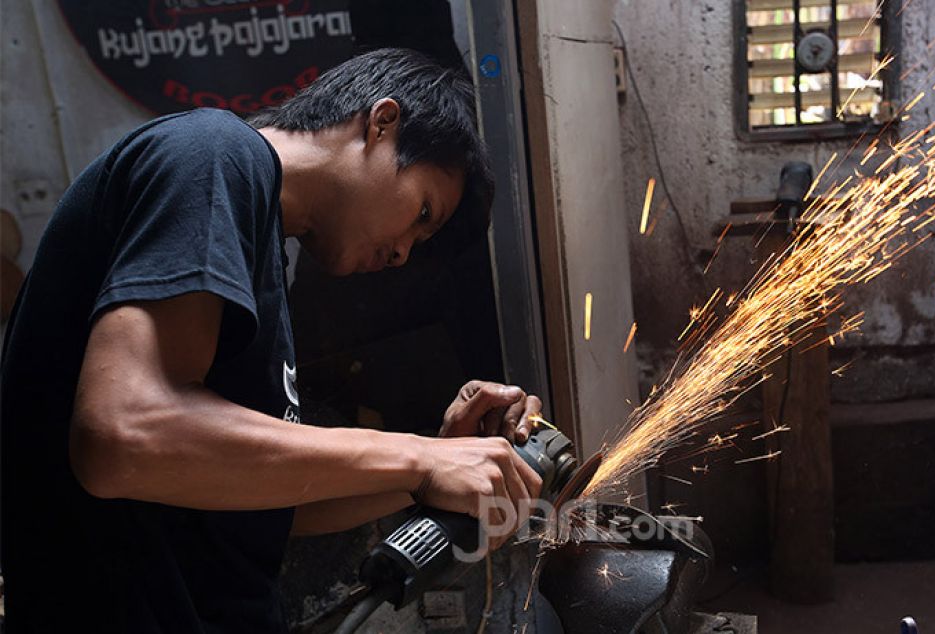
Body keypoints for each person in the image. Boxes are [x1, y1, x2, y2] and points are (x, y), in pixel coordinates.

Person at [0, 48, 544, 633]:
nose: (402, 252)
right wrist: (420, 459)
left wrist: (428, 465)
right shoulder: (209, 155)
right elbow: (124, 437)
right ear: (382, 124)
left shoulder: (257, 252)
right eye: (422, 211)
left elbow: (267, 500)